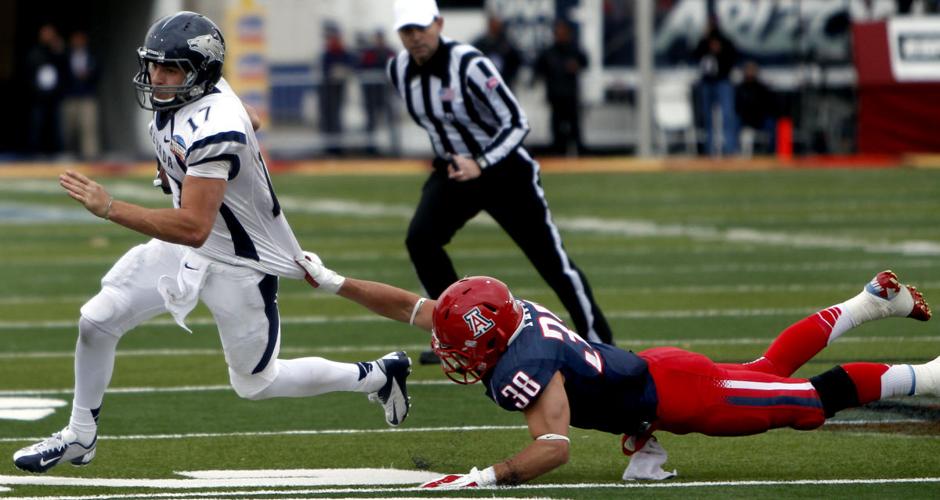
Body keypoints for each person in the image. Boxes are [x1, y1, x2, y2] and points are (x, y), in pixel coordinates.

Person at [12, 11, 411, 475]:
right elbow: (253, 118)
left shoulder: (214, 126)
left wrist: (110, 207)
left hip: (240, 261)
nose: (157, 78)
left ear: (200, 72)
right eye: (154, 65)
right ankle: (80, 436)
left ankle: (378, 375)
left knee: (256, 383)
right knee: (96, 321)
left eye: (171, 68)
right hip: (192, 250)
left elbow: (193, 226)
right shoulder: (212, 93)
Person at [297, 256, 938, 488]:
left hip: (687, 398)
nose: (454, 357)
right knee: (767, 368)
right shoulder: (500, 320)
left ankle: (928, 376)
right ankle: (870, 301)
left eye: (463, 349)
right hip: (653, 384)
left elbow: (552, 449)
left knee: (807, 402)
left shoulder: (530, 364)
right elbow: (413, 307)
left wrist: (485, 478)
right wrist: (333, 282)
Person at [386, 0, 613, 366]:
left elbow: (518, 123)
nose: (414, 38)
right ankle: (458, 336)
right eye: (406, 31)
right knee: (421, 239)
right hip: (455, 172)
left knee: (551, 261)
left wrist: (482, 161)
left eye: (421, 28)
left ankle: (600, 342)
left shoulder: (470, 64)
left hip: (504, 171)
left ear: (439, 24)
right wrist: (456, 162)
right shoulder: (398, 70)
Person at [533, 19, 589, 156]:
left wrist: (576, 66)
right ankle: (558, 156)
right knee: (557, 129)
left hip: (571, 95)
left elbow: (585, 63)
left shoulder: (574, 50)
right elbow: (538, 70)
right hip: (555, 96)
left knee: (574, 128)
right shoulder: (549, 53)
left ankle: (580, 157)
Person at [693, 16, 739, 156]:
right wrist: (705, 41)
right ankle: (709, 150)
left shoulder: (725, 41)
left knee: (727, 116)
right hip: (707, 82)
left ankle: (729, 149)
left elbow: (733, 57)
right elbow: (695, 55)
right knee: (707, 117)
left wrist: (720, 53)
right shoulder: (704, 41)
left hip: (722, 81)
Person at [26, 24, 67, 155]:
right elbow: (29, 75)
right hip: (39, 97)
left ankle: (57, 153)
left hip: (54, 97)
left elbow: (65, 68)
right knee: (37, 125)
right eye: (45, 33)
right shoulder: (34, 53)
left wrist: (59, 50)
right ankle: (34, 154)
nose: (48, 36)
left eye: (50, 33)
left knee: (56, 127)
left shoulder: (56, 51)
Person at [61, 31, 101, 160]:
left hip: (87, 96)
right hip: (70, 96)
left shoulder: (92, 55)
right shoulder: (66, 55)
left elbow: (99, 72)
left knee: (88, 128)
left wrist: (88, 75)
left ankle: (91, 157)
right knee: (68, 129)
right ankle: (69, 154)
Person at [319, 23, 355, 154]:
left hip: (338, 89)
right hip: (327, 90)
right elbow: (325, 70)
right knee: (328, 118)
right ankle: (329, 147)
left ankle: (337, 147)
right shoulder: (328, 52)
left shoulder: (342, 51)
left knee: (336, 118)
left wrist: (341, 71)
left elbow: (351, 66)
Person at [735, 61, 776, 156]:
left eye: (752, 70)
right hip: (745, 119)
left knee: (771, 123)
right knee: (734, 122)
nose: (750, 72)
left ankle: (772, 152)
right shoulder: (740, 88)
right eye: (748, 70)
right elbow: (738, 107)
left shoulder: (761, 87)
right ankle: (735, 151)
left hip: (760, 119)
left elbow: (768, 105)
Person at [472, 15, 522, 90]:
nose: (495, 27)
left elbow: (516, 60)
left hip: (504, 82)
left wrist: (510, 76)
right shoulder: (481, 43)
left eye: (497, 25)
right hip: (484, 82)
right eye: (493, 24)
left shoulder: (507, 43)